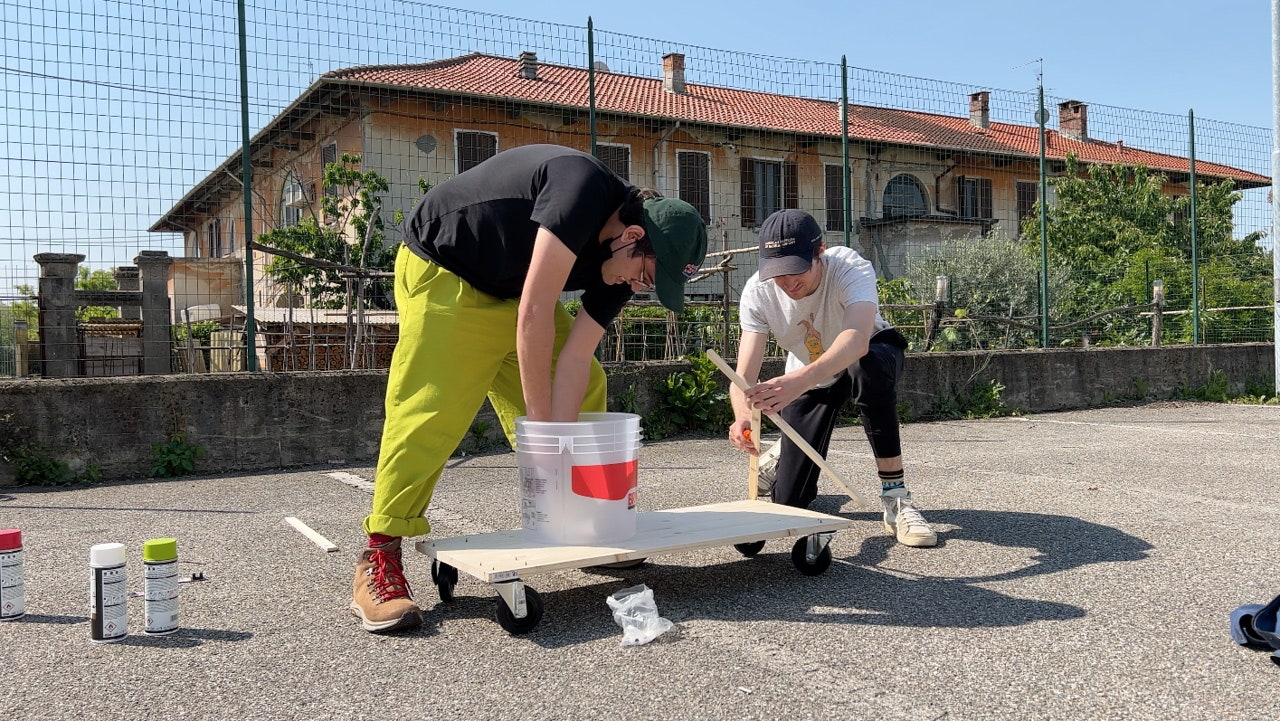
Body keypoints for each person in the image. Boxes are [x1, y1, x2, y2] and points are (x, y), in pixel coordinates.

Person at [352, 144, 708, 632]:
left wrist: (560, 446)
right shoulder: (579, 187)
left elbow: (577, 356)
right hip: (447, 270)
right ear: (632, 235)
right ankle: (379, 556)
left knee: (588, 388)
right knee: (431, 411)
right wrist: (544, 438)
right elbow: (536, 315)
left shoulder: (619, 267)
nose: (640, 287)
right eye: (646, 274)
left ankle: (582, 521)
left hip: (513, 293)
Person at [727, 208, 936, 548]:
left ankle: (897, 499)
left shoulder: (849, 266)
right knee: (788, 504)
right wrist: (741, 418)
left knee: (865, 368)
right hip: (810, 376)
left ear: (819, 251)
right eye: (778, 274)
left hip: (870, 354)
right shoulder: (758, 293)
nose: (789, 283)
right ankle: (785, 453)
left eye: (797, 270)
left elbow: (855, 340)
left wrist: (796, 383)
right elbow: (743, 377)